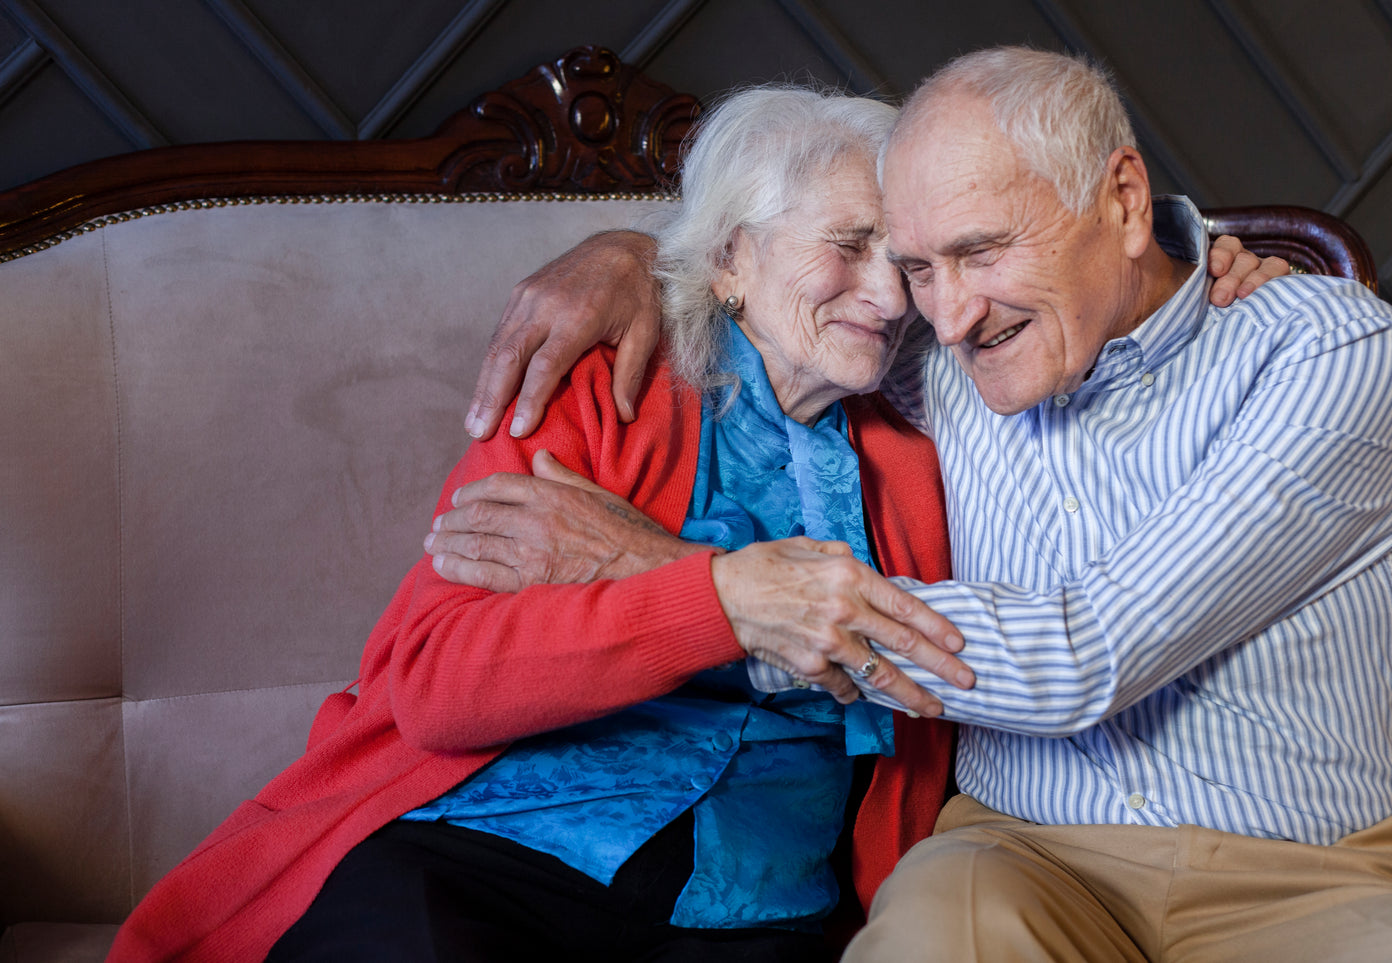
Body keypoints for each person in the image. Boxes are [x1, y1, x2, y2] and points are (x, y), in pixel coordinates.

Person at [429, 48, 1392, 961]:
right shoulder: (937, 356)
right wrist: (627, 255)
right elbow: (783, 294)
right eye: (919, 267)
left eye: (980, 250)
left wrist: (679, 576)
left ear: (1123, 203)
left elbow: (1084, 657)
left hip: (1313, 873)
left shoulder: (1321, 347)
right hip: (1014, 858)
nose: (943, 311)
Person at [108, 85, 984, 963]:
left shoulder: (919, 459)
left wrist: (650, 565)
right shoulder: (605, 388)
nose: (888, 295)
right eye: (846, 245)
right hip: (497, 846)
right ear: (731, 259)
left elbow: (932, 679)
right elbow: (436, 684)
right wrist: (715, 599)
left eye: (900, 260)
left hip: (753, 897)